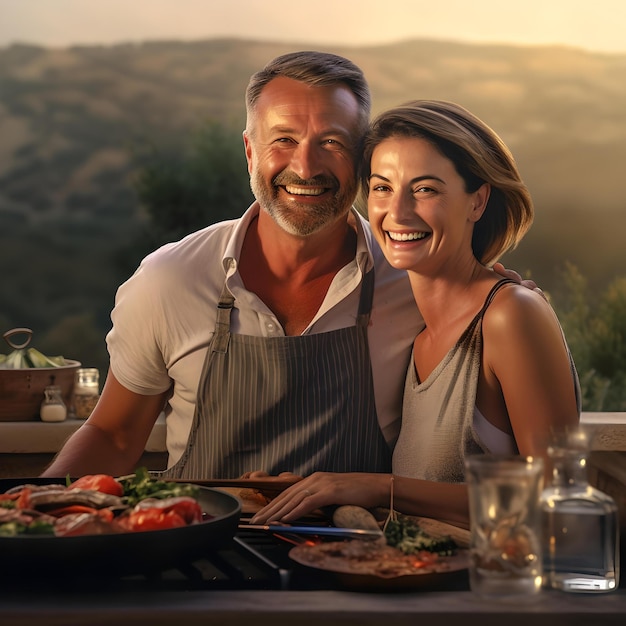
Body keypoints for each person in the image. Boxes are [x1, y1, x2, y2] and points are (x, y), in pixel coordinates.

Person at [41, 53, 531, 481]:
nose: (305, 167)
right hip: (201, 569)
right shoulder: (169, 280)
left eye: (333, 143)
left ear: (364, 160)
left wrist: (499, 294)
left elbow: (485, 317)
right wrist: (32, 519)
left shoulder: (415, 279)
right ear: (250, 151)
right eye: (284, 140)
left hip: (360, 567)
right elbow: (114, 434)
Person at [251, 100, 580, 527]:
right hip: (419, 582)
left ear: (477, 202)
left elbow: (559, 501)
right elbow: (432, 497)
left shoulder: (509, 315)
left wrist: (375, 486)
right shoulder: (419, 331)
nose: (398, 213)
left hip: (493, 589)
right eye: (383, 188)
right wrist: (316, 490)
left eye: (425, 189)